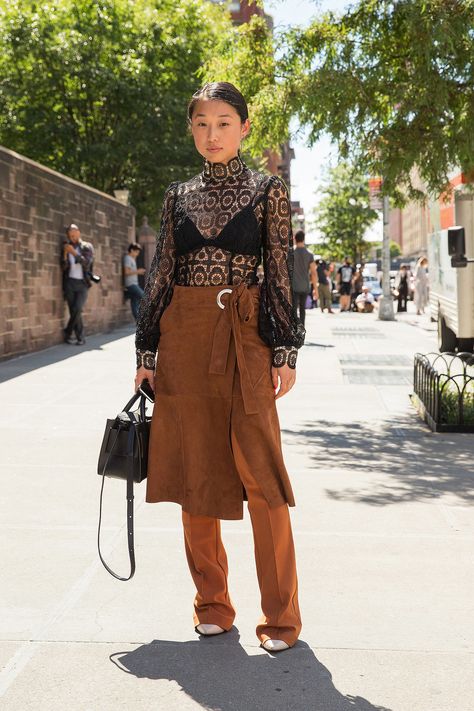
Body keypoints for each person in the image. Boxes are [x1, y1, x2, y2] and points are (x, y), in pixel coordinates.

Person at [134, 82, 305, 653]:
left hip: (246, 335)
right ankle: (212, 604)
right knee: (195, 474)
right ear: (192, 130)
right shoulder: (176, 195)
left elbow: (279, 271)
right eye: (202, 123)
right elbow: (162, 271)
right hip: (182, 337)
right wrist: (146, 350)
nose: (213, 134)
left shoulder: (267, 191)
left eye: (225, 122)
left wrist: (285, 349)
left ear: (245, 129)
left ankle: (281, 619)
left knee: (264, 478)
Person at [61, 223, 94, 345]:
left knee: (77, 309)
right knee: (73, 310)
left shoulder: (86, 246)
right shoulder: (67, 247)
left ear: (79, 233)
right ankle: (80, 338)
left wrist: (73, 253)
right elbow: (63, 267)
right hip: (69, 282)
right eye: (70, 236)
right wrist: (65, 254)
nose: (73, 238)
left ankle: (67, 331)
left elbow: (86, 263)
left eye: (74, 235)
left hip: (82, 283)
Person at [292, 230, 318, 326]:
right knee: (302, 309)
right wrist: (316, 289)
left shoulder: (291, 253)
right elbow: (314, 273)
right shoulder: (309, 255)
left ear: (295, 238)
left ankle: (294, 330)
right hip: (305, 286)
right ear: (304, 239)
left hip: (294, 286)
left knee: (294, 309)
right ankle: (302, 330)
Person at [123, 243, 146, 320]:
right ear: (132, 250)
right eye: (136, 252)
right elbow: (126, 272)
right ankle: (146, 319)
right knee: (145, 297)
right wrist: (138, 271)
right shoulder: (128, 258)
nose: (137, 254)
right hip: (131, 284)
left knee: (134, 303)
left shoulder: (132, 259)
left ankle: (138, 321)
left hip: (134, 283)